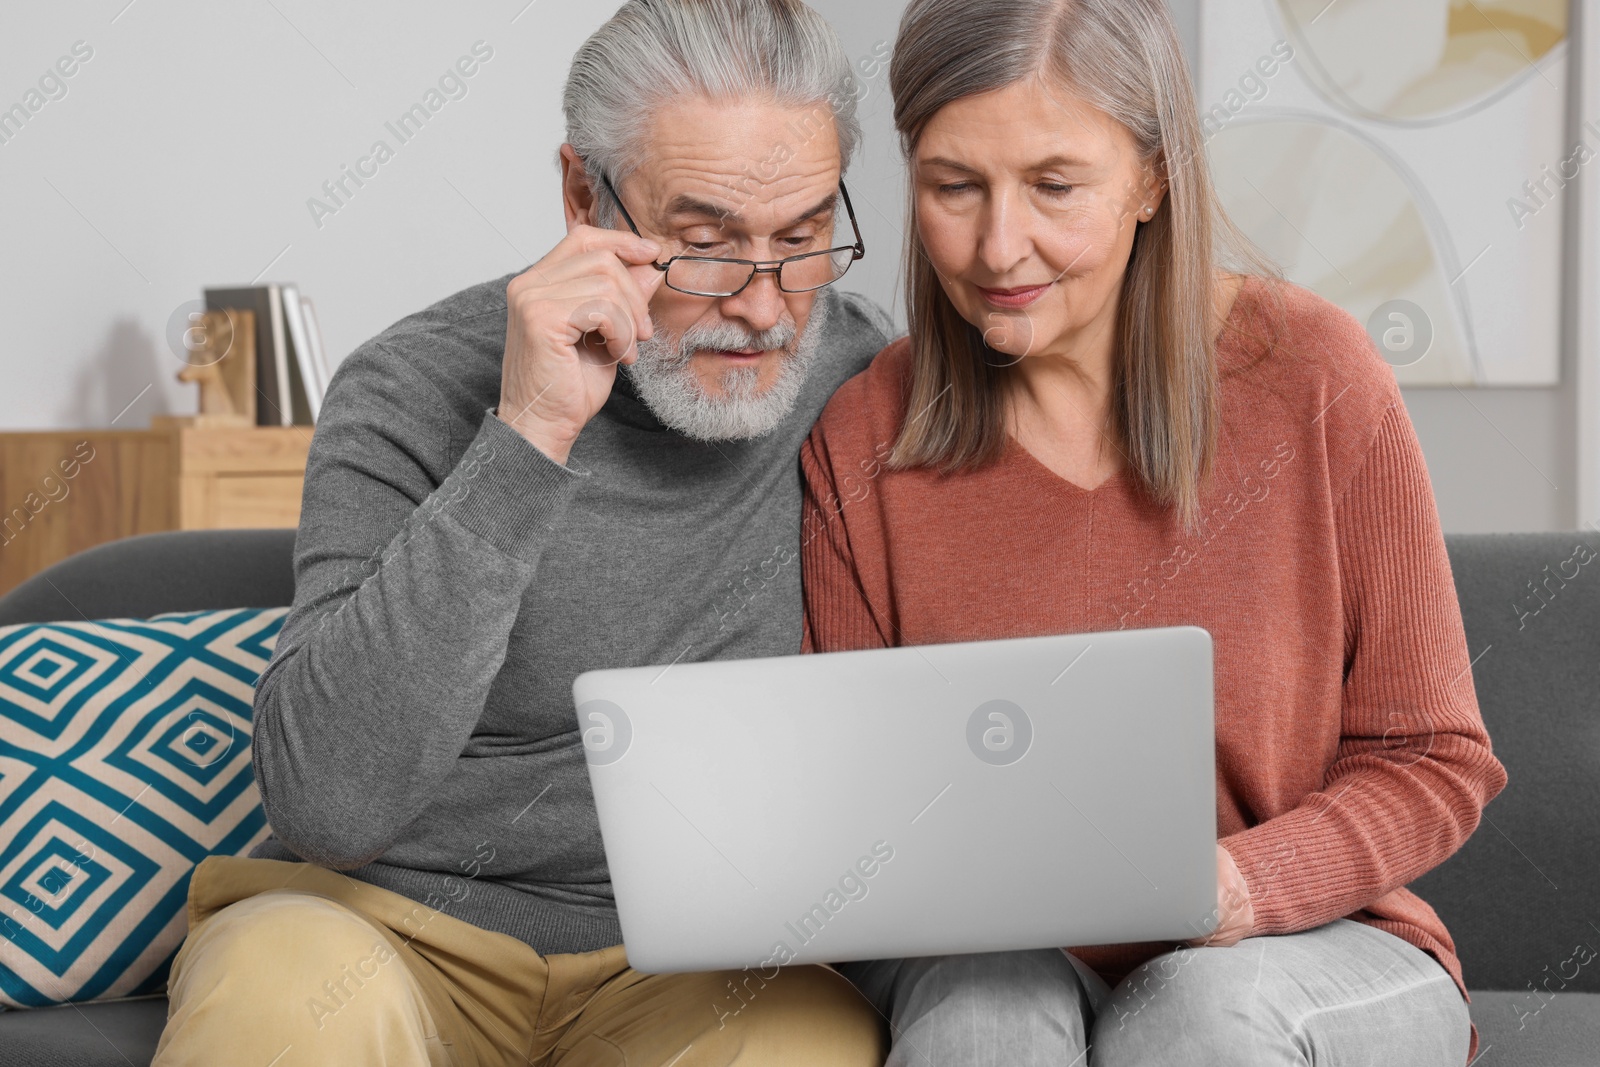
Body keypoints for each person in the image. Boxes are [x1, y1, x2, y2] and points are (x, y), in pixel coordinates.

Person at [152, 2, 896, 1064]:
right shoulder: (408, 385)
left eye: (804, 235)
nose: (766, 308)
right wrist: (531, 430)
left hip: (699, 959)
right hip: (381, 926)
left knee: (804, 1041)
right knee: (282, 997)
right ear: (582, 193)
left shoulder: (875, 382)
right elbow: (326, 799)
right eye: (704, 244)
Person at [799, 1, 1508, 1064]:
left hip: (1311, 942)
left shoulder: (1317, 375)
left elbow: (1434, 759)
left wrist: (1241, 885)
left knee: (1194, 1018)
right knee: (983, 1021)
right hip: (997, 953)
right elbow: (852, 802)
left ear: (1151, 177)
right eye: (955, 187)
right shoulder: (861, 434)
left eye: (1053, 186)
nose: (999, 245)